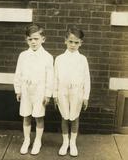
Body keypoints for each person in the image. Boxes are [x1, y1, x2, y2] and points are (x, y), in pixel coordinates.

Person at [14, 24, 54, 155]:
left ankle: (37, 140)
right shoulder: (23, 55)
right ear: (26, 40)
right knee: (26, 115)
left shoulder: (48, 57)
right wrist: (18, 89)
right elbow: (18, 73)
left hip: (40, 91)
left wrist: (47, 94)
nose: (33, 42)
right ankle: (26, 140)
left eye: (36, 39)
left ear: (43, 39)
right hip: (26, 90)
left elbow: (50, 77)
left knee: (38, 116)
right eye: (30, 39)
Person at [53, 26, 90, 157]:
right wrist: (55, 94)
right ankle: (65, 142)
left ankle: (73, 142)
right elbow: (55, 77)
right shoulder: (59, 59)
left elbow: (86, 78)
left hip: (76, 92)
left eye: (76, 42)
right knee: (64, 117)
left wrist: (86, 96)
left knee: (74, 117)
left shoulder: (82, 59)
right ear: (65, 41)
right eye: (70, 42)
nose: (73, 45)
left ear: (81, 43)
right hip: (62, 92)